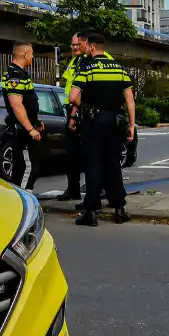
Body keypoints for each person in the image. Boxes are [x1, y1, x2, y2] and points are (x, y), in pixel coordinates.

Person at [70, 33, 135, 227]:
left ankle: (91, 212)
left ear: (90, 47)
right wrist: (131, 125)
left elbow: (73, 97)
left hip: (94, 122)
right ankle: (119, 209)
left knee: (93, 165)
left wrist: (85, 107)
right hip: (115, 122)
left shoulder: (87, 68)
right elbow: (130, 100)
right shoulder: (119, 69)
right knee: (113, 164)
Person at [55, 28, 93, 202]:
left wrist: (74, 114)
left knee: (87, 154)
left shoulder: (87, 61)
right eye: (73, 44)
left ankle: (95, 191)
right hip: (71, 109)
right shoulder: (75, 61)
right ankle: (73, 189)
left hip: (80, 111)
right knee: (71, 154)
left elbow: (82, 91)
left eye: (78, 44)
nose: (75, 47)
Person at [3, 41, 44, 192]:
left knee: (28, 165)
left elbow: (27, 102)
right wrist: (30, 129)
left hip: (26, 127)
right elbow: (16, 104)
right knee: (27, 166)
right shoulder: (16, 74)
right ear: (25, 54)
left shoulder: (18, 73)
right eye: (31, 54)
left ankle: (23, 196)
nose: (32, 57)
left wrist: (36, 121)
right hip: (23, 130)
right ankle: (24, 200)